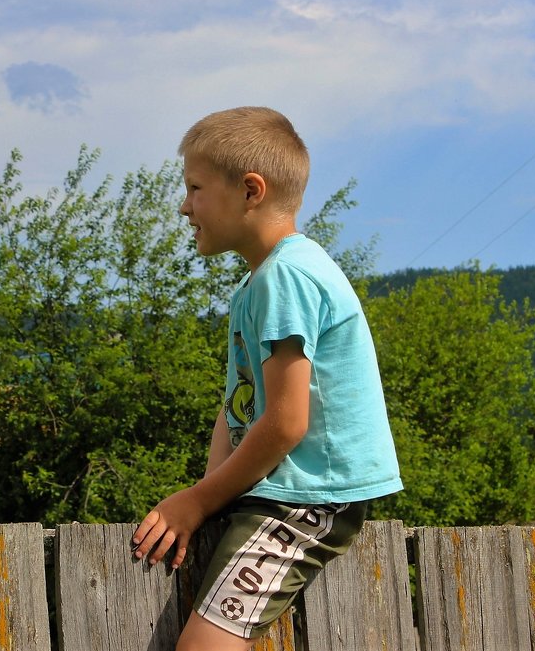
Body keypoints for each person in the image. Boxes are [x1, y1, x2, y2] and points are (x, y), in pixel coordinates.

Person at [130, 106, 403, 650]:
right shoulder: (260, 283)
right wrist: (210, 502)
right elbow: (237, 409)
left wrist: (199, 500)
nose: (184, 207)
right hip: (280, 492)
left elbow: (284, 423)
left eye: (195, 188)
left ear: (251, 191)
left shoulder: (287, 277)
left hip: (308, 499)